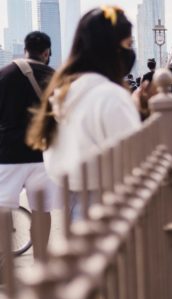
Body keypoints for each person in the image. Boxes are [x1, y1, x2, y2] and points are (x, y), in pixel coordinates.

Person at [26, 6, 148, 219]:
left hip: (72, 203)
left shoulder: (64, 92)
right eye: (128, 44)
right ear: (113, 49)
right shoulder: (111, 96)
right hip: (111, 204)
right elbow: (136, 159)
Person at [0, 31, 60, 260]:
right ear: (46, 53)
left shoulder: (4, 74)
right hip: (42, 155)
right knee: (41, 212)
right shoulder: (54, 77)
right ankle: (41, 261)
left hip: (7, 155)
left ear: (25, 49)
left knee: (3, 209)